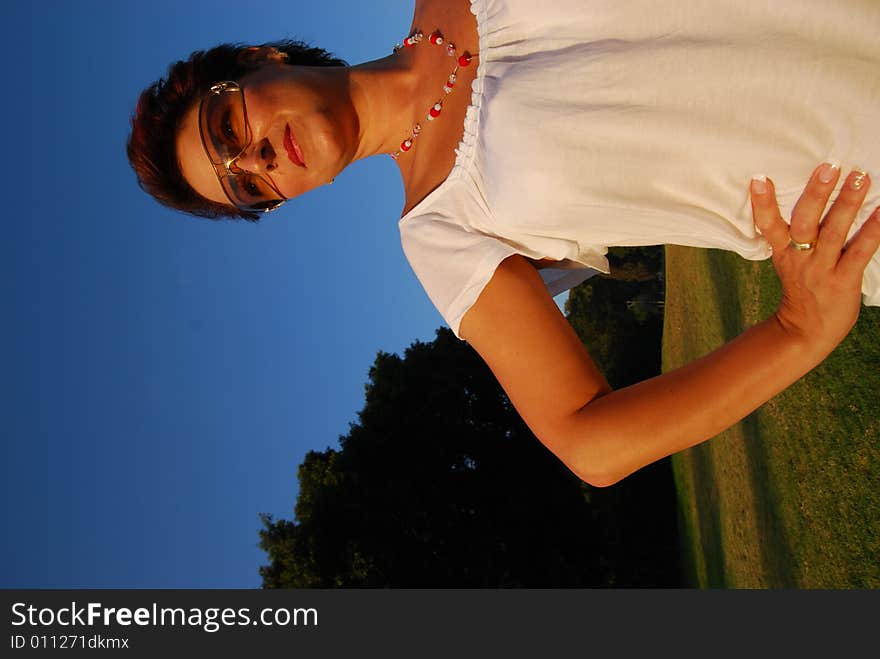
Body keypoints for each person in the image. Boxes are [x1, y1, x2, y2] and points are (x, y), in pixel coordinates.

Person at [127, 0, 880, 486]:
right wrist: (796, 330)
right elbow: (590, 439)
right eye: (249, 187)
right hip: (864, 200)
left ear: (265, 58)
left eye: (229, 127)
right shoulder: (440, 232)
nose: (255, 159)